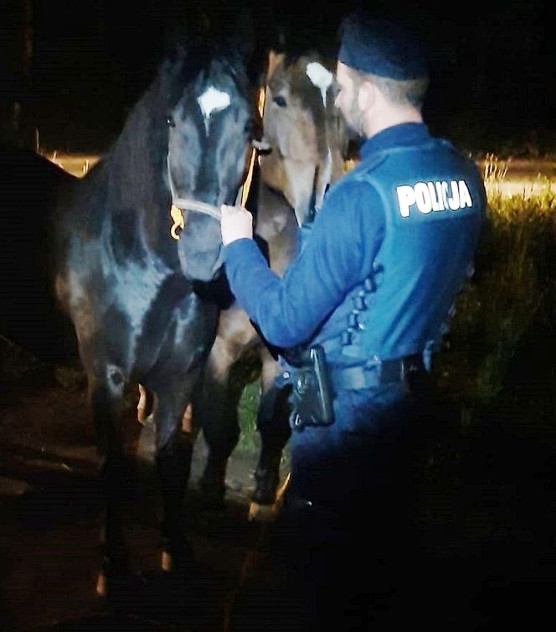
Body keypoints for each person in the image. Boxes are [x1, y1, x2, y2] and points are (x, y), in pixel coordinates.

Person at [220, 9, 486, 628]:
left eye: (340, 86)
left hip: (343, 433)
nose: (336, 98)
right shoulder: (461, 177)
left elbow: (285, 323)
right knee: (382, 575)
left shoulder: (362, 195)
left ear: (366, 91)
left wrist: (238, 245)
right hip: (409, 412)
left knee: (301, 596)